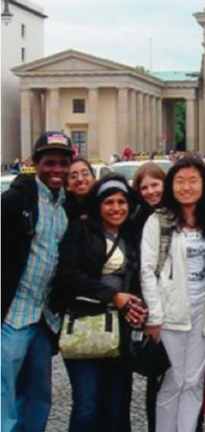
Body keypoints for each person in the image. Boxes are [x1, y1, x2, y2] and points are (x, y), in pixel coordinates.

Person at [53, 173, 147, 432]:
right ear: (98, 205)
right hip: (87, 324)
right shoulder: (80, 230)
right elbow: (69, 275)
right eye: (109, 202)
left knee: (117, 404)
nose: (116, 208)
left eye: (121, 202)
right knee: (87, 404)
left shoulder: (132, 234)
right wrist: (112, 295)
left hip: (121, 330)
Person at [1, 131, 73, 432]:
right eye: (49, 163)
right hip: (12, 314)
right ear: (35, 164)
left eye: (62, 163)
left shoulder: (67, 205)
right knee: (4, 397)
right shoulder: (14, 201)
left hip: (43, 317)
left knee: (39, 395)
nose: (56, 170)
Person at [141, 157, 205, 432]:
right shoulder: (158, 221)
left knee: (194, 382)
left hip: (203, 312)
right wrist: (154, 316)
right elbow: (148, 271)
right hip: (170, 313)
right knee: (172, 381)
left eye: (193, 181)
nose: (186, 187)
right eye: (180, 181)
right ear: (171, 185)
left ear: (203, 185)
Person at [131, 161, 167, 432]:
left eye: (155, 184)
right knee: (157, 374)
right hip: (151, 305)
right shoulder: (137, 219)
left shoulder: (181, 213)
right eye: (144, 187)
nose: (151, 191)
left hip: (180, 303)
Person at [132, 162, 167, 231]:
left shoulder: (178, 212)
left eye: (154, 185)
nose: (150, 191)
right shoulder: (136, 218)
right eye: (144, 188)